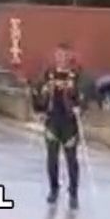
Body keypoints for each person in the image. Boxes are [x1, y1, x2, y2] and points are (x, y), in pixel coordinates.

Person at [34, 46, 82, 208]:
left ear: (69, 57)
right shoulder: (48, 74)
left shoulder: (77, 75)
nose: (61, 58)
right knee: (52, 158)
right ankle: (54, 189)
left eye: (64, 55)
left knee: (71, 159)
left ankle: (73, 193)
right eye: (58, 55)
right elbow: (36, 90)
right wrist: (40, 109)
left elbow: (86, 92)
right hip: (53, 121)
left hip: (69, 123)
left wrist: (79, 106)